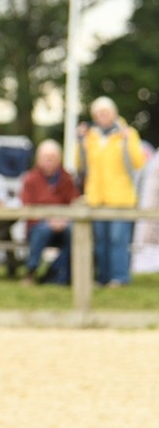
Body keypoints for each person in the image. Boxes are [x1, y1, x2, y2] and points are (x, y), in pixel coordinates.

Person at [78, 97, 146, 286]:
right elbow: (81, 165)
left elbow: (138, 162)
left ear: (114, 113)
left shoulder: (128, 133)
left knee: (118, 240)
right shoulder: (91, 137)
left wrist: (127, 140)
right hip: (97, 197)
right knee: (100, 241)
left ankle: (120, 277)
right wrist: (80, 140)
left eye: (106, 112)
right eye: (99, 113)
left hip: (121, 198)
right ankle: (103, 277)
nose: (103, 116)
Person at [19, 140, 78, 285]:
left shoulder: (67, 179)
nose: (49, 160)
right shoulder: (30, 179)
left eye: (52, 157)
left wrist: (63, 220)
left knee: (75, 232)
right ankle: (31, 272)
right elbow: (27, 207)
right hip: (39, 224)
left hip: (64, 223)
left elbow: (74, 203)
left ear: (59, 159)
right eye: (46, 157)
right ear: (38, 159)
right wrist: (48, 220)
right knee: (43, 231)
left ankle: (59, 273)